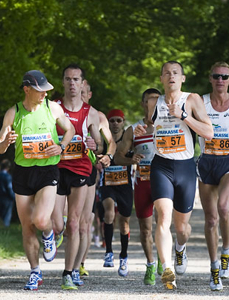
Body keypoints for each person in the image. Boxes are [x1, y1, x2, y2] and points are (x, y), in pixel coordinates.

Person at [0, 70, 74, 291]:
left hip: (48, 171)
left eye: (46, 90)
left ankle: (48, 233)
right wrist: (5, 143)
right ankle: (35, 272)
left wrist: (62, 145)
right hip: (22, 172)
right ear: (26, 89)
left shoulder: (52, 108)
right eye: (40, 90)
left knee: (40, 220)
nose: (44, 94)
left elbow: (70, 129)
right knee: (27, 226)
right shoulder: (14, 113)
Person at [140, 61, 213, 290]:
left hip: (185, 167)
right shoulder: (154, 102)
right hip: (161, 165)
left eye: (175, 73)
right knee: (163, 218)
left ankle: (180, 249)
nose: (171, 76)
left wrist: (184, 117)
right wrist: (146, 131)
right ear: (161, 79)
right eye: (166, 73)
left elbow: (209, 133)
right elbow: (154, 127)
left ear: (182, 78)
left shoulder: (192, 99)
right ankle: (167, 269)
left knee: (182, 228)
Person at [50, 64, 108, 290]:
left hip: (81, 169)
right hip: (55, 167)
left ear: (82, 83)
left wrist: (96, 144)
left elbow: (100, 143)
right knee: (56, 222)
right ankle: (54, 234)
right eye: (68, 79)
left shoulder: (91, 113)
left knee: (74, 223)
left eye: (76, 80)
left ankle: (69, 272)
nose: (72, 83)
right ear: (63, 82)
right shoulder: (52, 108)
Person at [197, 62, 229, 291]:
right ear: (210, 78)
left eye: (224, 76)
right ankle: (214, 269)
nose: (220, 80)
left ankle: (227, 250)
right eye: (216, 76)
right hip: (207, 161)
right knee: (211, 220)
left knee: (225, 208)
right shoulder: (200, 102)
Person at [115, 88, 161, 285]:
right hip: (142, 182)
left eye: (157, 101)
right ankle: (150, 264)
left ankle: (164, 257)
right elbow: (117, 156)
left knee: (164, 223)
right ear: (143, 104)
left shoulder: (168, 126)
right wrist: (130, 159)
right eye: (149, 101)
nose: (153, 105)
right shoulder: (133, 130)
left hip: (163, 180)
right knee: (145, 229)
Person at [77, 80, 116, 278]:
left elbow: (109, 143)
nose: (79, 95)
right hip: (63, 169)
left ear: (89, 95)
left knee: (86, 221)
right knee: (67, 222)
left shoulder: (97, 116)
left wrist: (105, 154)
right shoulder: (59, 111)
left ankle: (80, 264)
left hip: (88, 170)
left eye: (83, 93)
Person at [99, 109, 135, 278]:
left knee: (124, 224)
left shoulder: (129, 140)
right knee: (109, 211)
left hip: (125, 185)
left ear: (123, 121)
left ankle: (123, 256)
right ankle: (108, 252)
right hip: (108, 183)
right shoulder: (104, 139)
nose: (115, 123)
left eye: (118, 120)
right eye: (112, 120)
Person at [0, 159, 15, 227]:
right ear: (8, 167)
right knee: (6, 216)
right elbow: (9, 188)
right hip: (7, 198)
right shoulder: (8, 176)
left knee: (0, 214)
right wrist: (13, 197)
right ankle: (5, 229)